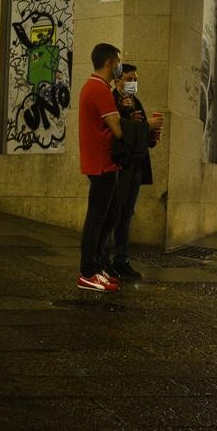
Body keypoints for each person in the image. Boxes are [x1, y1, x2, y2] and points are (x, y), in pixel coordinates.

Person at [77, 44, 162, 292]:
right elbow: (117, 129)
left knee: (112, 215)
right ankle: (87, 271)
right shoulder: (99, 89)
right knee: (97, 218)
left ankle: (98, 266)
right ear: (109, 63)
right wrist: (146, 126)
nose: (119, 66)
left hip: (107, 162)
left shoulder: (97, 87)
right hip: (101, 162)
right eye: (118, 62)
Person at [107, 63, 161, 280]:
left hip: (136, 166)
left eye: (136, 80)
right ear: (118, 80)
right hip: (122, 165)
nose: (133, 83)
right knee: (115, 214)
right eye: (130, 79)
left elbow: (142, 134)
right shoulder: (112, 101)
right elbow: (119, 132)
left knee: (127, 215)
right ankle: (107, 260)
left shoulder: (135, 101)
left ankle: (121, 260)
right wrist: (143, 126)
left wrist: (151, 133)